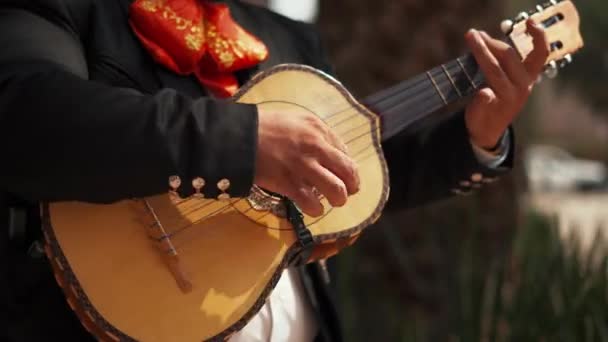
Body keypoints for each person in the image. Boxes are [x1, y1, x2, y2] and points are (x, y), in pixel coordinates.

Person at [0, 0, 549, 341]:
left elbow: (353, 183)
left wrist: (477, 136)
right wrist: (245, 141)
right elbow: (24, 115)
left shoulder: (291, 41)